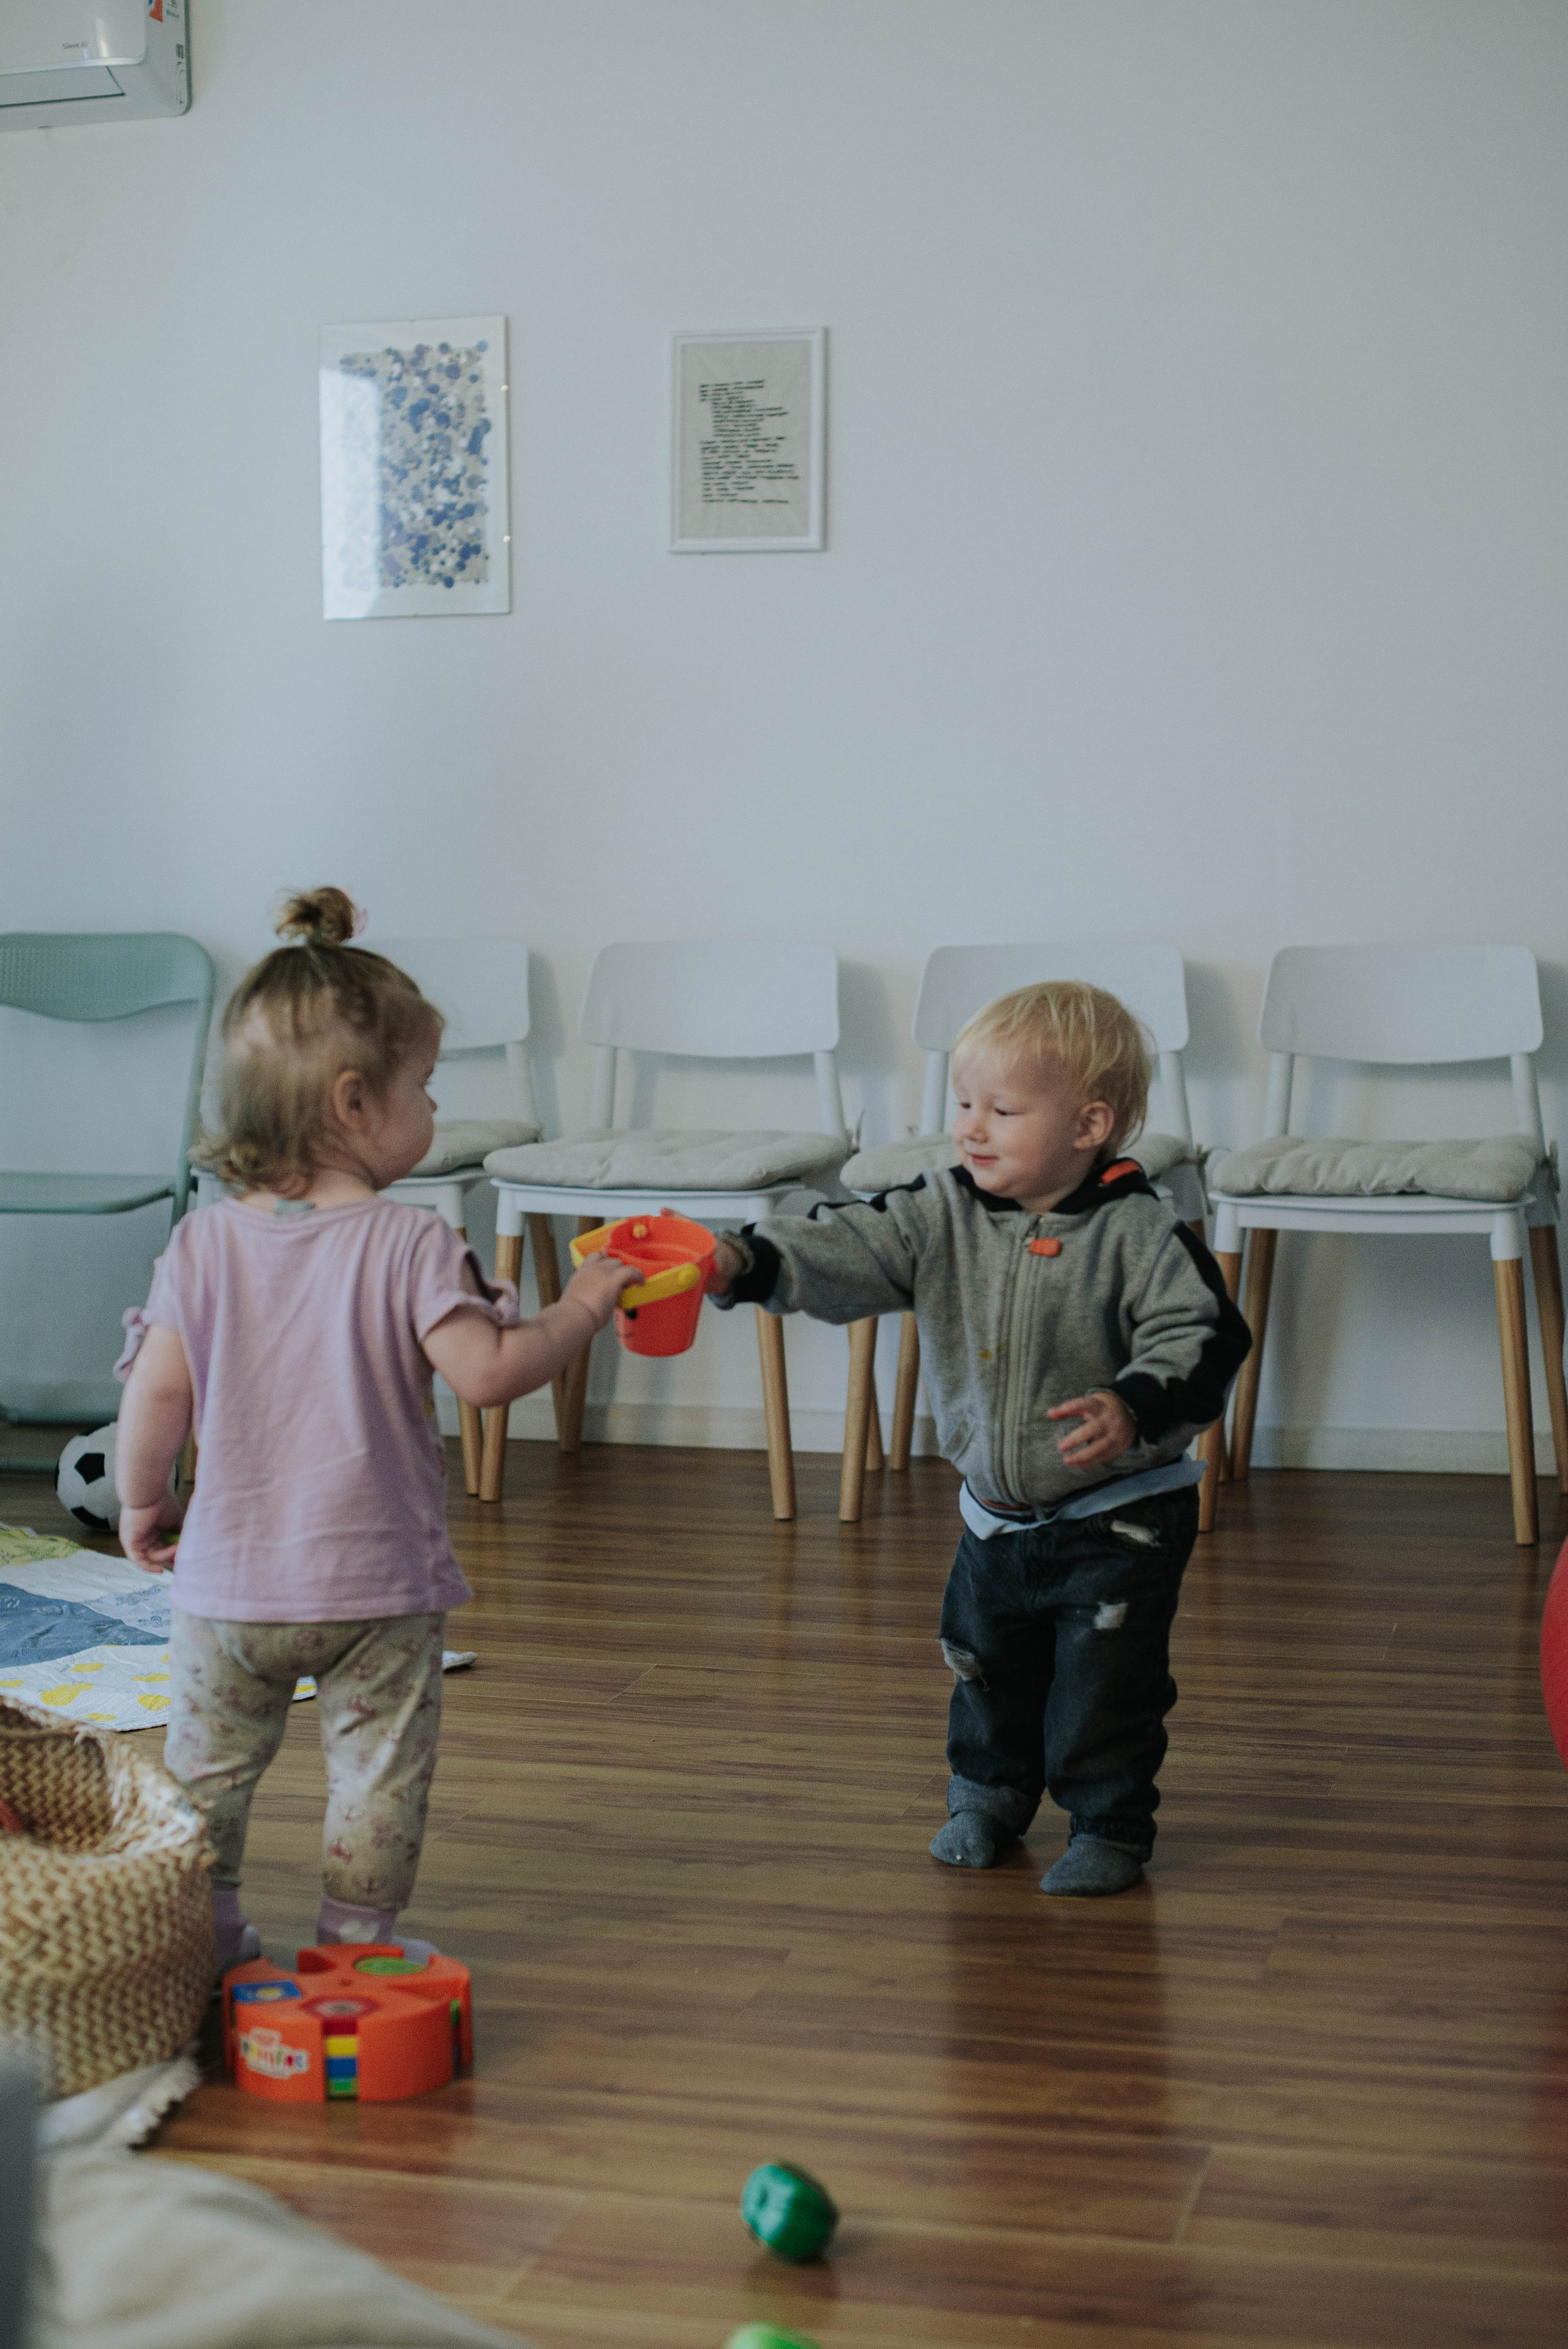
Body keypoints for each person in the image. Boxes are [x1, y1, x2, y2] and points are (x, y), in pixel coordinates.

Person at [114, 888, 638, 1971]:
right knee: (376, 1777)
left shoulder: (200, 1246)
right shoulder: (410, 1243)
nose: (434, 1112)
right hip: (378, 1588)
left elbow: (155, 1398)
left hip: (229, 1589)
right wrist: (583, 1306)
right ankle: (356, 1947)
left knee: (205, 1776)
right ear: (356, 1103)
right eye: (426, 1089)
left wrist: (144, 1499)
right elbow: (489, 1377)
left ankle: (203, 1938)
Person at [706, 980, 1250, 1897]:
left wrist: (1137, 1404)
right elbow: (847, 1249)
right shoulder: (941, 1211)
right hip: (995, 1517)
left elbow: (1203, 1336)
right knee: (986, 1665)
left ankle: (1108, 1821)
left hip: (1119, 1520)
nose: (972, 1128)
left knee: (1102, 1682)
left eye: (1003, 1109)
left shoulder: (1138, 1230)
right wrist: (743, 1260)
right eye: (964, 1103)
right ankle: (988, 1794)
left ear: (1089, 1124)